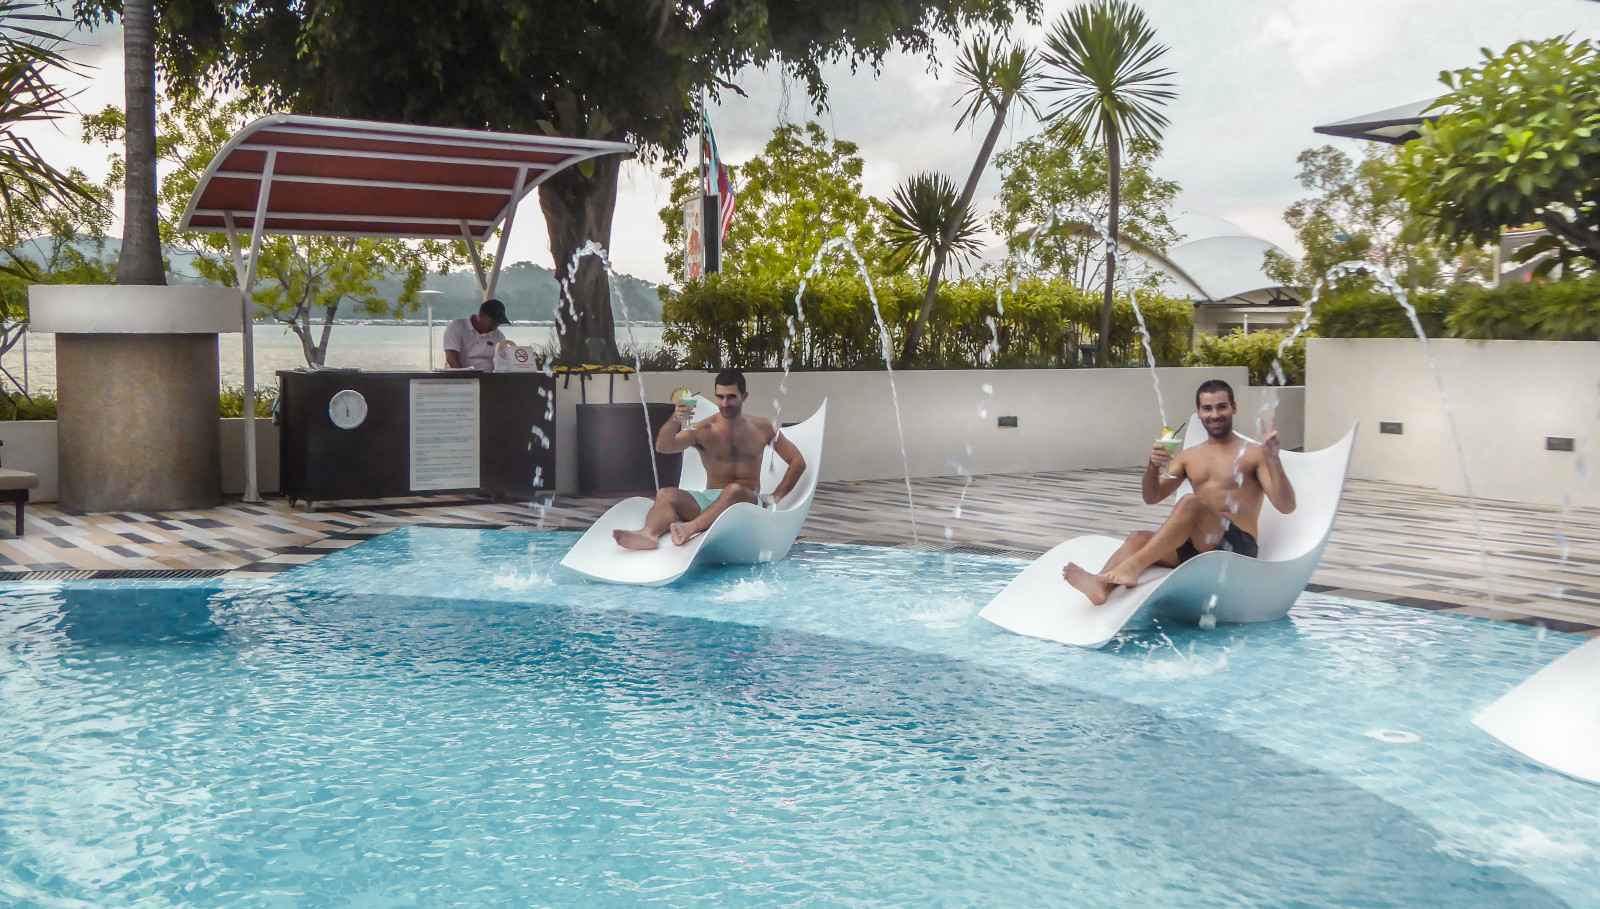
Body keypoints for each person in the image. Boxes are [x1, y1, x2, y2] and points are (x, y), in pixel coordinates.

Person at [1062, 378, 1296, 605]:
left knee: (1191, 502)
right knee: (1138, 539)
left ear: (1234, 408)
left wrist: (1274, 460)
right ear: (1199, 412)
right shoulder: (1189, 457)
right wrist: (1153, 466)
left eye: (1222, 407)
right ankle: (1100, 586)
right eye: (1207, 408)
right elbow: (1152, 496)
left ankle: (1132, 568)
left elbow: (1286, 506)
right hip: (1198, 548)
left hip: (1235, 550)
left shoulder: (1254, 453)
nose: (1214, 415)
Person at [613, 368, 807, 550]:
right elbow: (664, 446)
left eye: (731, 397)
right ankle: (649, 534)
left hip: (746, 504)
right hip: (709, 500)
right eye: (720, 397)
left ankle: (690, 528)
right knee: (666, 495)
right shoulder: (702, 430)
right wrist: (676, 419)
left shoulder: (763, 427)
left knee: (734, 490)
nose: (724, 403)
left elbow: (797, 461)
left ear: (744, 397)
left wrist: (775, 497)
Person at [443, 299, 511, 370]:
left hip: (490, 378)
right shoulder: (457, 326)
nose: (496, 325)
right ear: (481, 315)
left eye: (499, 322)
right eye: (493, 321)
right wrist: (465, 377)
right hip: (459, 377)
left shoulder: (499, 336)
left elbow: (503, 361)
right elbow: (451, 357)